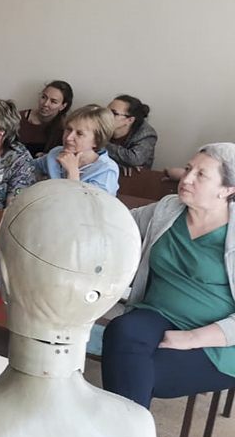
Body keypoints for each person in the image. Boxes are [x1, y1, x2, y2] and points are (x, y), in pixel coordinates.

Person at [100, 143, 235, 409]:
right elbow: (117, 223)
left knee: (139, 371)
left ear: (227, 189)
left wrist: (193, 338)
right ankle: (129, 430)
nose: (187, 178)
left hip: (219, 339)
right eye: (188, 169)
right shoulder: (168, 209)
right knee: (122, 331)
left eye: (201, 175)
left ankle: (122, 430)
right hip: (158, 314)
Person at [34, 104, 120, 195]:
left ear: (97, 141)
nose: (68, 138)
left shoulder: (106, 169)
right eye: (68, 129)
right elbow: (29, 168)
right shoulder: (56, 152)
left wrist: (72, 173)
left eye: (79, 133)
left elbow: (92, 203)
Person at [17, 80, 74, 156]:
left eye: (53, 101)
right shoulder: (18, 118)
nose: (45, 104)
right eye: (43, 97)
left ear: (63, 106)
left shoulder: (66, 128)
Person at [106, 95, 156, 174]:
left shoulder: (147, 134)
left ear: (130, 120)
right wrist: (118, 164)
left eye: (113, 113)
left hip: (135, 177)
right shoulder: (98, 123)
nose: (105, 116)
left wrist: (100, 144)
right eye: (106, 111)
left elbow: (134, 159)